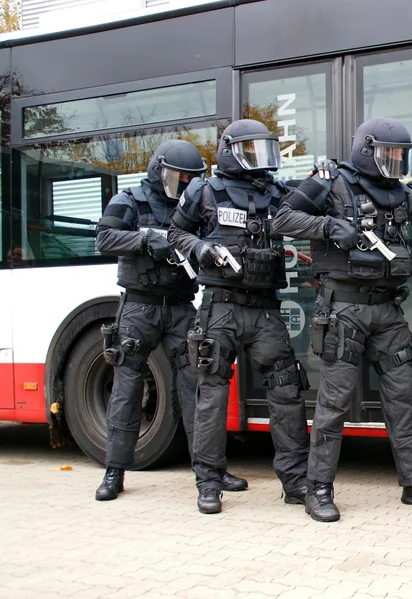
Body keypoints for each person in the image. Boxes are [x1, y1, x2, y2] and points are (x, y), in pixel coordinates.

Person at [273, 116, 412, 522]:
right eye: (388, 153)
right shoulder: (331, 182)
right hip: (344, 308)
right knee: (335, 401)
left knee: (404, 397)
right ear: (366, 150)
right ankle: (318, 489)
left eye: (400, 155)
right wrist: (328, 226)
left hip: (388, 310)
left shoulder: (406, 194)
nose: (395, 161)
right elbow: (282, 219)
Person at [93, 139, 249, 500]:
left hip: (181, 306)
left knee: (198, 388)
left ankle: (211, 469)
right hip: (139, 306)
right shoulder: (130, 200)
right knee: (127, 389)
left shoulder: (195, 204)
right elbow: (104, 237)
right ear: (159, 172)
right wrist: (145, 240)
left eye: (191, 179)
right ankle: (114, 471)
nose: (185, 185)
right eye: (179, 178)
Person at [168, 120, 309, 514]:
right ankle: (209, 483)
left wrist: (323, 177)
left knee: (286, 390)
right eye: (250, 150)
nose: (259, 158)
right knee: (212, 395)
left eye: (263, 149)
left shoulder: (276, 192)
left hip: (265, 308)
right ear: (230, 151)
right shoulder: (203, 190)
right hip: (220, 307)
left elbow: (311, 207)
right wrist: (200, 248)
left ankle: (296, 481)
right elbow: (176, 233)